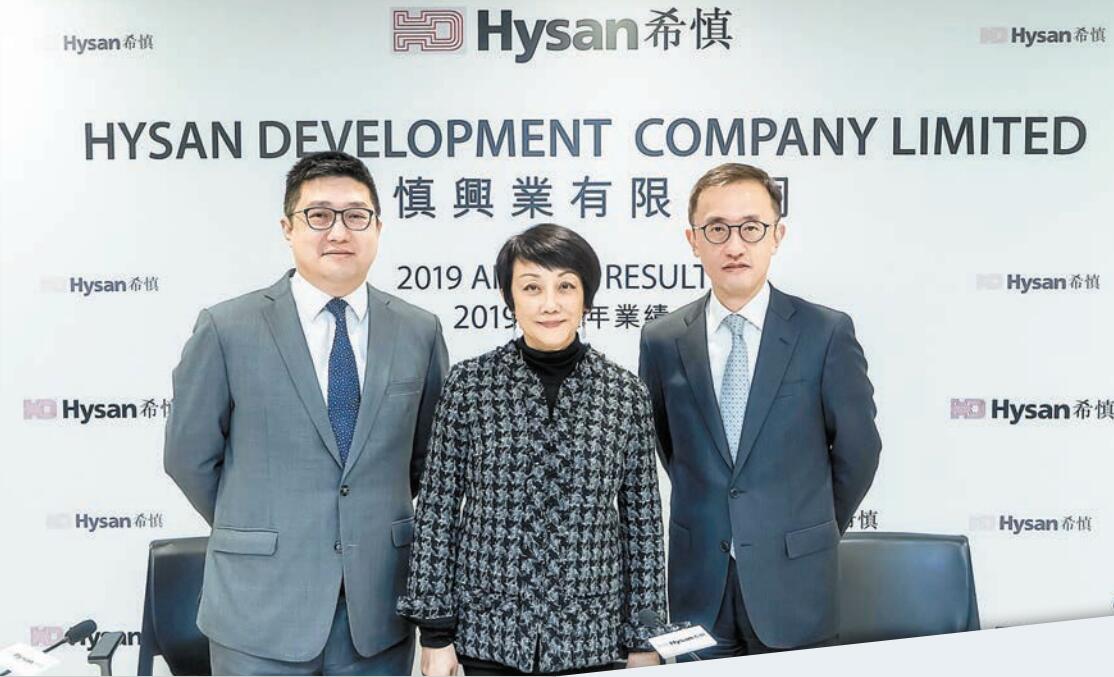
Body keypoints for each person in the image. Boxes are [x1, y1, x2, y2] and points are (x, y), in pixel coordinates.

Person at [164, 151, 448, 675]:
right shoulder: (228, 328)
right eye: (319, 215)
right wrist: (258, 524)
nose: (338, 231)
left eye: (356, 215)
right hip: (258, 611)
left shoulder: (418, 331)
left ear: (378, 227)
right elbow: (189, 457)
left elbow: (426, 461)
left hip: (375, 611)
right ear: (288, 228)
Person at [398, 224, 668, 676]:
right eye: (531, 287)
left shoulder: (624, 394)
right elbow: (437, 510)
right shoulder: (470, 386)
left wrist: (644, 638)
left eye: (566, 286)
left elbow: (642, 526)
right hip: (488, 633)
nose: (549, 303)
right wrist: (436, 633)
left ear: (586, 297)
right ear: (510, 297)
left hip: (591, 635)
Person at [638, 163, 882, 658]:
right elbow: (668, 447)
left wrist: (807, 528)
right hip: (697, 584)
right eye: (717, 229)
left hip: (796, 580)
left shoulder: (824, 332)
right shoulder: (662, 339)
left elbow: (858, 452)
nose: (734, 245)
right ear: (693, 240)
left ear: (777, 236)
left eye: (751, 227)